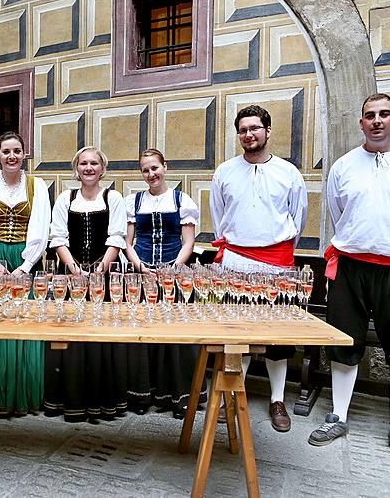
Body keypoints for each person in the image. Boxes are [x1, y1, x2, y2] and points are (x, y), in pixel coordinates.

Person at [308, 94, 390, 469]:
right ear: (361, 123)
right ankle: (338, 416)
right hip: (351, 267)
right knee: (344, 342)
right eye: (370, 115)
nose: (377, 121)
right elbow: (339, 215)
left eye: (384, 114)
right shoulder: (344, 166)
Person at [210, 105, 307, 432]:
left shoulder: (288, 173)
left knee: (277, 338)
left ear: (268, 130)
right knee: (237, 333)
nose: (248, 134)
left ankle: (277, 399)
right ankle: (233, 395)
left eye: (254, 128)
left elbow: (298, 219)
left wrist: (274, 250)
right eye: (242, 130)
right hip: (235, 263)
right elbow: (219, 218)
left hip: (277, 264)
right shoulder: (224, 171)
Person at [45, 146, 128, 423]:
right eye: (83, 164)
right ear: (76, 168)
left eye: (94, 163)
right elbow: (58, 238)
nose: (89, 168)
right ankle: (70, 398)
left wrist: (100, 270)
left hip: (104, 275)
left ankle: (102, 401)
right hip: (70, 274)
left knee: (100, 336)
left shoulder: (113, 197)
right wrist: (74, 270)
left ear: (102, 169)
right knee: (71, 335)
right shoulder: (65, 198)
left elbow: (117, 237)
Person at [123, 148, 206, 418]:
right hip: (143, 273)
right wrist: (139, 266)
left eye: (154, 168)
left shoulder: (182, 200)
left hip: (175, 275)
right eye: (145, 170)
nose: (151, 174)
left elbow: (189, 242)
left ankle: (180, 397)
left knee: (176, 336)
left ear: (165, 167)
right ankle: (142, 394)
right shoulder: (134, 202)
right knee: (143, 334)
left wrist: (174, 268)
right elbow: (127, 242)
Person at [0, 131, 51, 416]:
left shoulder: (37, 185)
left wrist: (25, 266)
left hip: (22, 260)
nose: (12, 156)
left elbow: (42, 226)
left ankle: (22, 395)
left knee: (23, 327)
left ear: (24, 154)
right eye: (6, 151)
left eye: (17, 151)